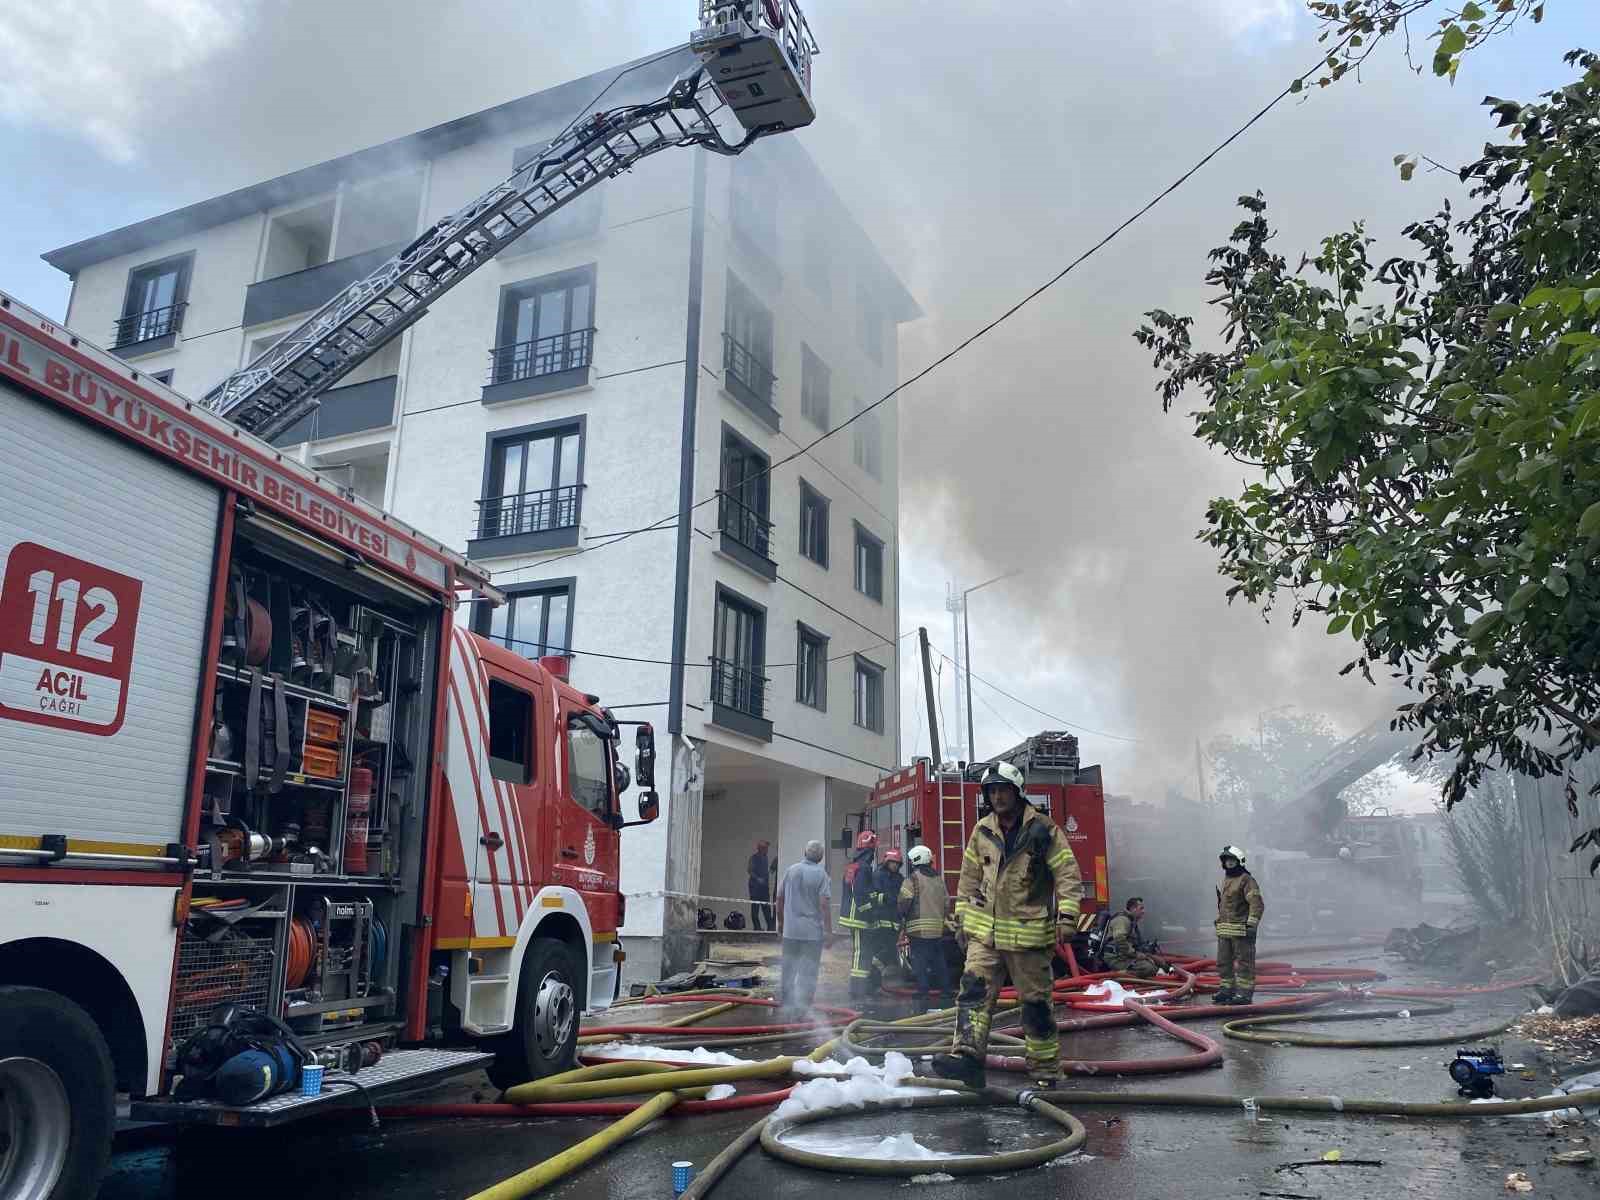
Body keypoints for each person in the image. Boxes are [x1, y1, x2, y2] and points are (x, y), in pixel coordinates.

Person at [933, 761, 1082, 1089]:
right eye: (992, 790)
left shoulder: (1044, 830)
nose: (997, 796)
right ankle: (968, 1060)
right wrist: (960, 918)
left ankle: (1045, 1073)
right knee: (973, 995)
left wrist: (1068, 916)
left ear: (1017, 792)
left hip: (1028, 938)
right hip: (984, 936)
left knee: (1035, 1006)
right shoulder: (982, 830)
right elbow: (969, 878)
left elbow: (1068, 873)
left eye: (1003, 790)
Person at [775, 840, 832, 1013]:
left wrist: (781, 923)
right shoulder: (821, 875)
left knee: (789, 969)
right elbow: (824, 905)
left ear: (804, 852)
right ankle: (804, 1008)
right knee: (808, 972)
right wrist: (828, 931)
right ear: (821, 857)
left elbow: (779, 898)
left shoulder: (791, 870)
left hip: (790, 932)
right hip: (812, 934)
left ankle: (786, 1005)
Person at [899, 845, 951, 1011]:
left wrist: (901, 916)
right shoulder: (939, 879)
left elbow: (904, 901)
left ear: (915, 860)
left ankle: (923, 992)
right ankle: (946, 990)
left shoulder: (912, 879)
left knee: (919, 961)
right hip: (937, 929)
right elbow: (947, 903)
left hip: (918, 930)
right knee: (939, 960)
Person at [1214, 844, 1264, 1006]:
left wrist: (1251, 924)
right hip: (1225, 930)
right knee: (1223, 962)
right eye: (1226, 860)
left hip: (1241, 931)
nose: (1229, 863)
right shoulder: (1227, 879)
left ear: (1239, 861)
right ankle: (1226, 990)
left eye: (1232, 860)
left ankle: (1244, 994)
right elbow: (1225, 905)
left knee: (1244, 963)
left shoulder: (1246, 880)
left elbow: (1256, 903)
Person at [838, 830, 880, 998]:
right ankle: (857, 988)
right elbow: (861, 894)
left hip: (853, 916)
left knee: (861, 951)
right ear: (870, 851)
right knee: (860, 952)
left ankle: (860, 986)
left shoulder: (853, 866)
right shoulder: (863, 868)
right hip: (859, 918)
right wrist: (869, 912)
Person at [1103, 897, 1166, 979]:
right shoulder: (1122, 920)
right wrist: (1135, 954)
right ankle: (1116, 976)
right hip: (1116, 958)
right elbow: (1119, 939)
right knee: (1149, 969)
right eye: (1141, 908)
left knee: (1158, 963)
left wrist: (1147, 951)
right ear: (1133, 908)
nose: (1143, 911)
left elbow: (1135, 943)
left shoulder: (1131, 922)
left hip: (1124, 956)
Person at [870, 848, 906, 985]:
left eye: (897, 864)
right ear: (886, 862)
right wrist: (886, 898)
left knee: (890, 950)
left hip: (894, 922)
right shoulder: (878, 876)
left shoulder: (899, 878)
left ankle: (875, 976)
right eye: (893, 863)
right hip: (880, 920)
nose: (895, 866)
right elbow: (873, 896)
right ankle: (872, 974)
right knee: (885, 950)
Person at [747, 839, 774, 932]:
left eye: (767, 848)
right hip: (755, 888)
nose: (767, 850)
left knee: (766, 909)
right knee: (755, 910)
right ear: (760, 848)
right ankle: (757, 928)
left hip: (764, 888)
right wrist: (758, 879)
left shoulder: (765, 858)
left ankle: (770, 928)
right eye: (765, 848)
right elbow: (750, 870)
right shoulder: (754, 858)